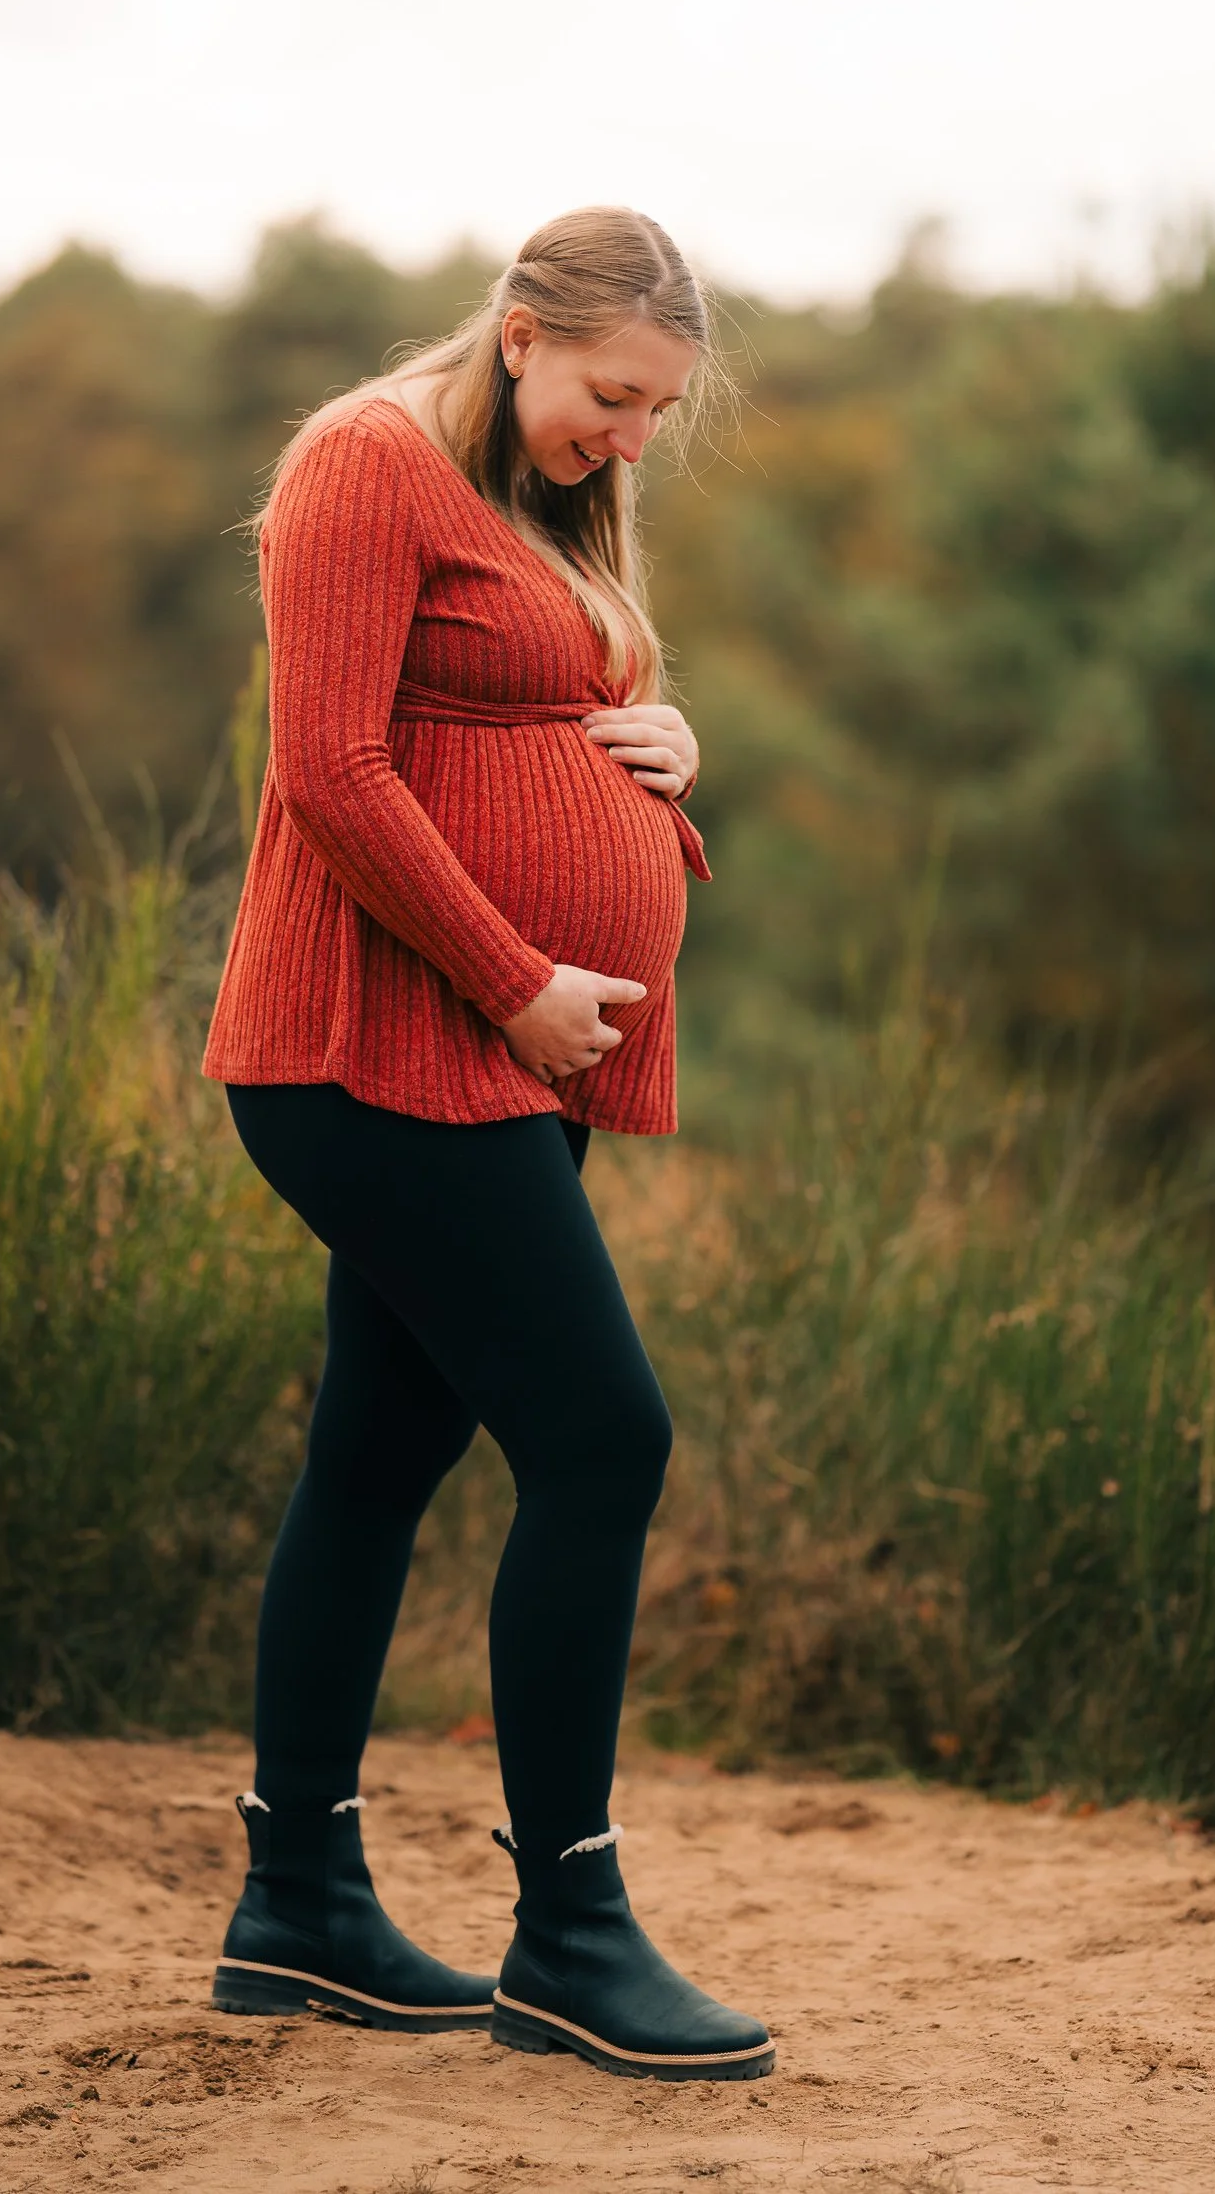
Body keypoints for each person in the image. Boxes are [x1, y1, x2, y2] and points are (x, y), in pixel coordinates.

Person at [200, 207, 774, 2082]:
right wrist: (522, 977)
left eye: (653, 417)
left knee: (383, 1440)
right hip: (373, 1041)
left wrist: (662, 740)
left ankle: (298, 1909)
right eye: (609, 396)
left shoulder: (543, 496)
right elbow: (332, 771)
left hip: (488, 1054)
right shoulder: (364, 464)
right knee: (603, 1436)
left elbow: (533, 708)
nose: (625, 438)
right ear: (522, 334)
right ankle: (571, 1931)